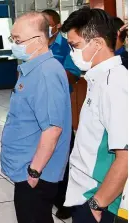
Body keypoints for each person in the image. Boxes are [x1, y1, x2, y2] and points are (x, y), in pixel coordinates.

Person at [0, 12, 72, 223]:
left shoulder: (46, 73)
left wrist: (33, 172)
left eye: (18, 40)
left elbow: (52, 129)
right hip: (28, 169)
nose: (14, 44)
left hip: (36, 173)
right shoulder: (32, 69)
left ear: (39, 40)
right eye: (12, 39)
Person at [61, 7, 128, 223]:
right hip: (86, 192)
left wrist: (97, 204)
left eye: (75, 46)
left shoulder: (114, 84)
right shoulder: (97, 79)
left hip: (100, 199)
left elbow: (126, 156)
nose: (73, 53)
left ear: (97, 43)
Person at [42, 8, 82, 219]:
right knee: (44, 154)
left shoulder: (66, 47)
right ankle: (53, 196)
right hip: (39, 109)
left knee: (65, 154)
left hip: (59, 109)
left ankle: (67, 200)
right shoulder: (35, 46)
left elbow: (73, 76)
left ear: (56, 26)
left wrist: (49, 69)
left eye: (47, 23)